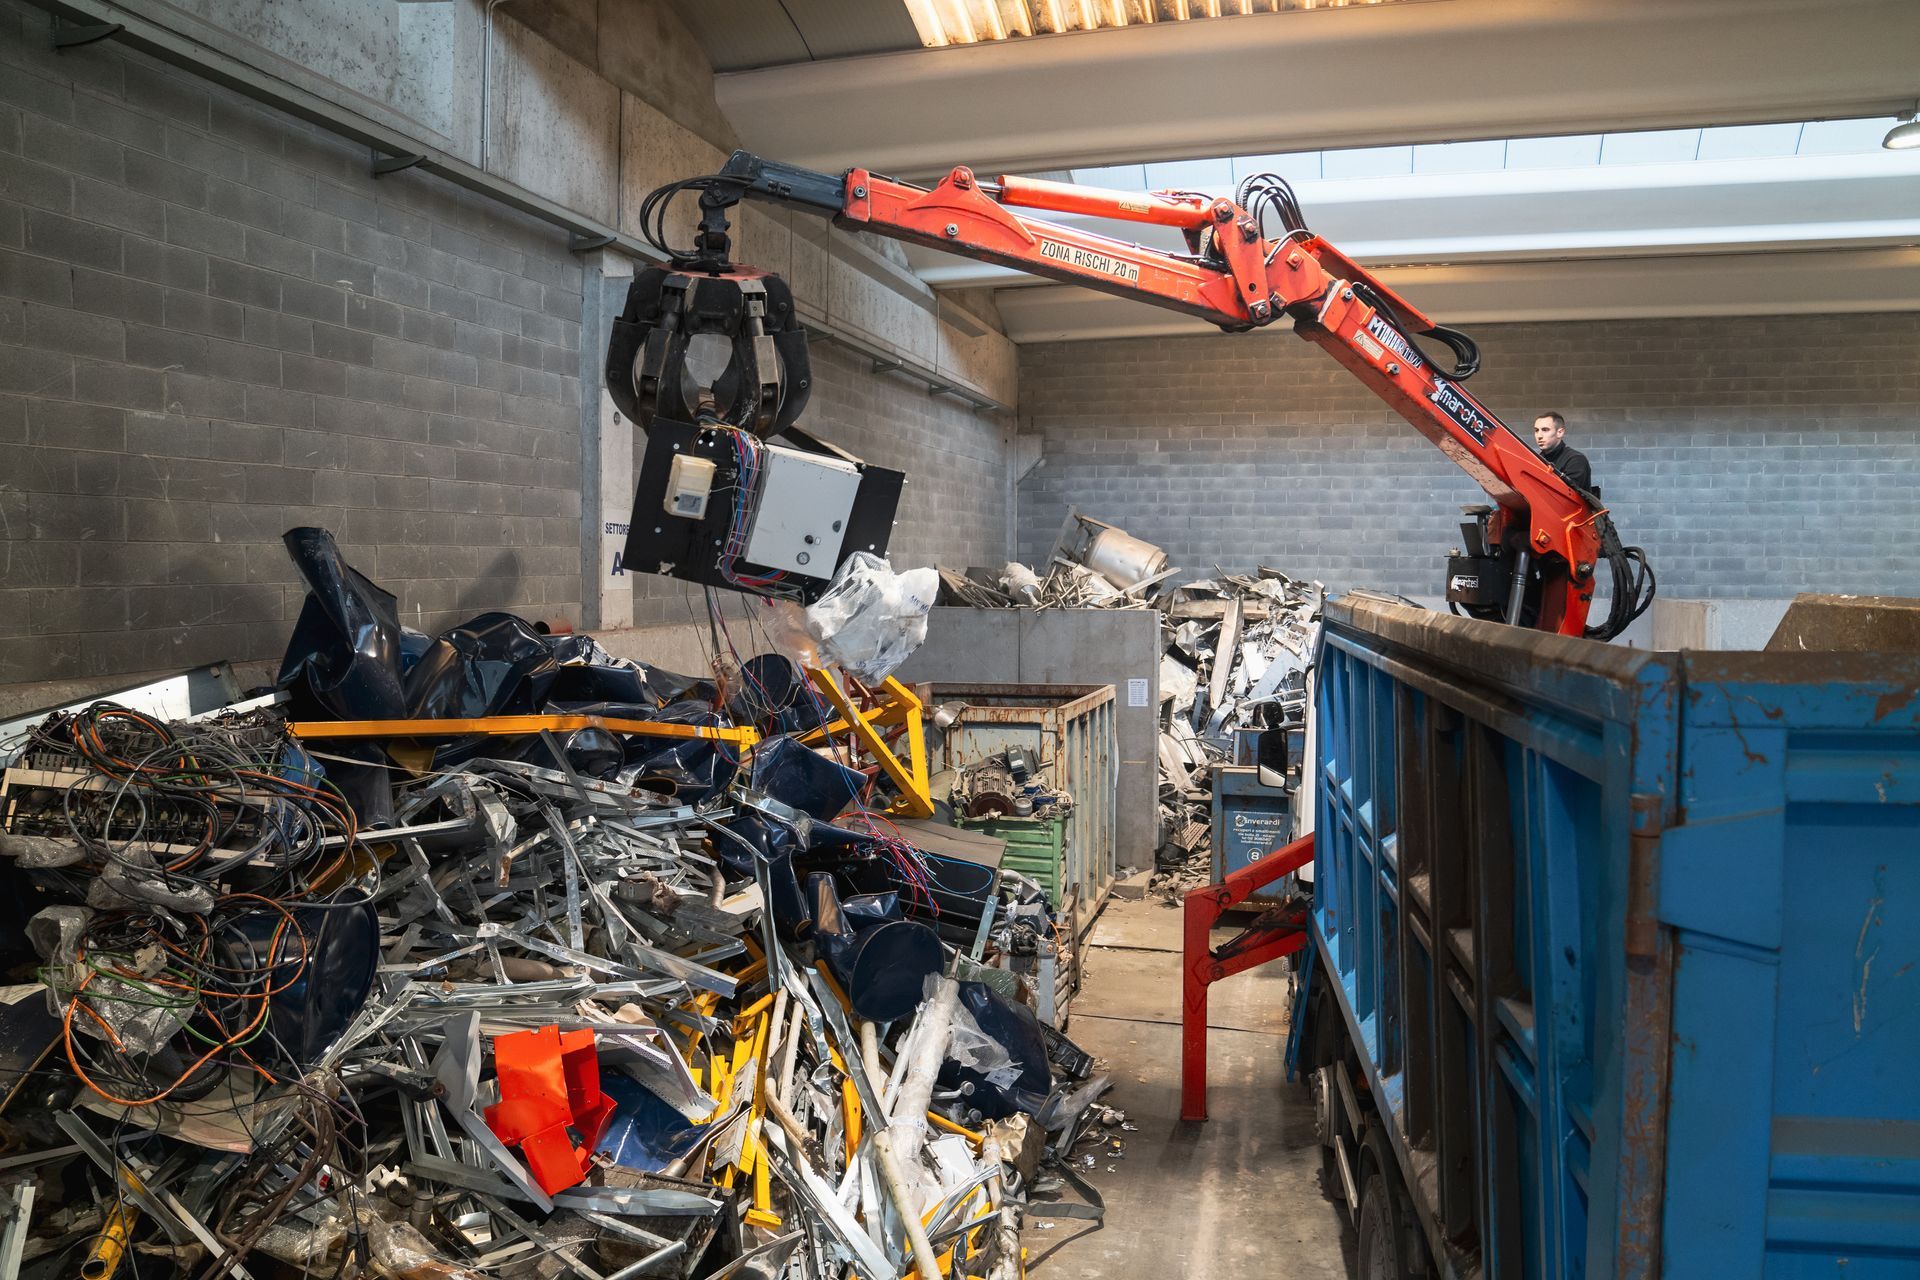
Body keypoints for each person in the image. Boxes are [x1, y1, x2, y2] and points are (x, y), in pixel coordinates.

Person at [1532, 411, 1594, 495]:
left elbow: (1568, 497)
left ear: (1560, 432)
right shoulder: (1536, 459)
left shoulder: (1576, 460)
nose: (1539, 436)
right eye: (1536, 430)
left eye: (1545, 430)